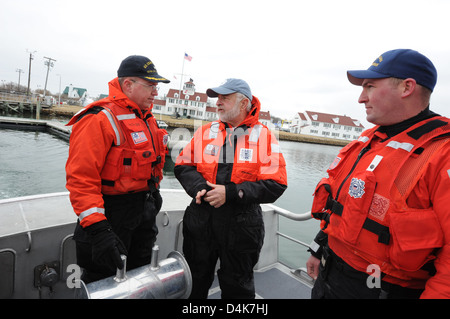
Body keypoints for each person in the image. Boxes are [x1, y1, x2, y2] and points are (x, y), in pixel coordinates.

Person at [306, 49, 450, 299]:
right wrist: (318, 248)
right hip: (330, 274)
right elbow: (343, 205)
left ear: (407, 88)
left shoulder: (442, 154)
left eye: (370, 87)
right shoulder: (366, 140)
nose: (361, 98)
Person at [175, 78, 288, 298]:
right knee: (195, 282)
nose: (218, 102)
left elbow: (276, 184)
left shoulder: (264, 136)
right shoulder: (206, 131)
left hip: (241, 225)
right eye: (218, 98)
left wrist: (232, 193)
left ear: (243, 103)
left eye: (225, 98)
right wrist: (198, 186)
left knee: (238, 287)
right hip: (201, 220)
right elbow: (183, 165)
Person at [66, 55, 170, 283]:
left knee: (138, 278)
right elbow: (81, 179)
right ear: (128, 85)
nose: (156, 92)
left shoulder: (147, 118)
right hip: (109, 217)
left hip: (142, 214)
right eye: (151, 85)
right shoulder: (98, 119)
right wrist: (99, 230)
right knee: (103, 281)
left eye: (156, 86)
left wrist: (154, 195)